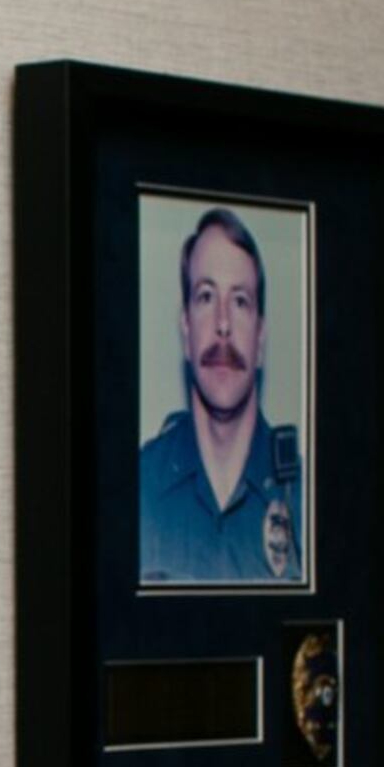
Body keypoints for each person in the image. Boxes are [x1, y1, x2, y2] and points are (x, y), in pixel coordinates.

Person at [135, 206, 300, 584]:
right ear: (185, 329)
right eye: (206, 297)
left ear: (260, 338)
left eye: (240, 301)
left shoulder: (305, 498)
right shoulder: (136, 490)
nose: (223, 324)